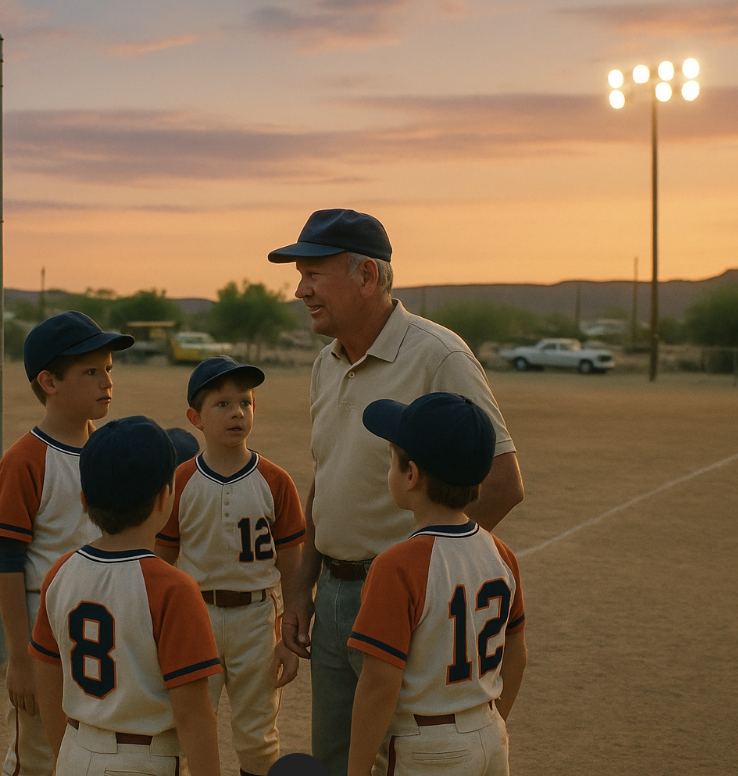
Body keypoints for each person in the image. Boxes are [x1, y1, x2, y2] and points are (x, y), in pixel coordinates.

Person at [267, 209, 525, 775]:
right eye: (299, 274)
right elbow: (326, 477)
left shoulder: (439, 355)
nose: (300, 289)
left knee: (404, 760)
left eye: (314, 273)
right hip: (333, 595)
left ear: (366, 276)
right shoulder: (325, 364)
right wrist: (304, 587)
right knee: (340, 761)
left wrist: (428, 576)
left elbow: (503, 483)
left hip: (406, 602)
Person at [29, 416, 223, 776]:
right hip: (141, 761)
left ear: (84, 500)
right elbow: (194, 715)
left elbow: (46, 672)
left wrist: (65, 755)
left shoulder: (60, 572)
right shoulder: (173, 589)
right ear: (166, 496)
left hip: (75, 749)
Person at [348, 393, 527, 776]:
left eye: (392, 460)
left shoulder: (397, 565)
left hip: (427, 747)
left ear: (411, 475)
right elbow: (517, 653)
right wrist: (488, 724)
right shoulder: (501, 553)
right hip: (490, 733)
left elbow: (379, 685)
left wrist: (356, 770)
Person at [0, 311, 133, 776]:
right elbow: (7, 561)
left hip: (97, 627)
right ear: (48, 381)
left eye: (108, 368)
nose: (105, 381)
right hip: (41, 628)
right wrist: (17, 658)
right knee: (37, 753)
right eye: (90, 371)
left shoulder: (106, 450)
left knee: (85, 746)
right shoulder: (25, 459)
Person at [154, 356, 305, 776]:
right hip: (196, 614)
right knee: (185, 725)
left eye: (245, 402)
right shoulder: (182, 479)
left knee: (257, 735)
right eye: (222, 404)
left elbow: (292, 563)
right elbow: (161, 562)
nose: (237, 412)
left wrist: (290, 630)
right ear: (195, 418)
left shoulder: (275, 480)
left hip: (257, 617)